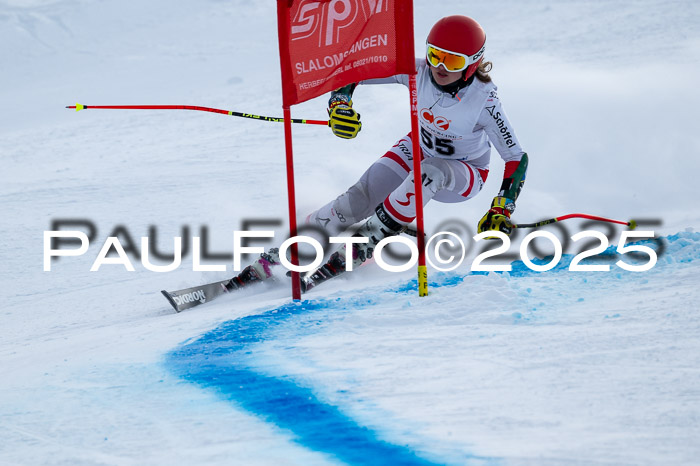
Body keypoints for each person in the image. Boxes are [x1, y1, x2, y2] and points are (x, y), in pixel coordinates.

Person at [228, 15, 528, 293]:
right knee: (357, 199)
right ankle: (288, 253)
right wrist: (340, 104)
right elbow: (354, 72)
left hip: (465, 173)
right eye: (435, 55)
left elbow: (516, 156)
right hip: (418, 148)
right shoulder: (416, 71)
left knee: (431, 171)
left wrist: (502, 206)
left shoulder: (484, 101)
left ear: (473, 63)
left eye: (452, 61)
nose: (440, 67)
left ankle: (370, 239)